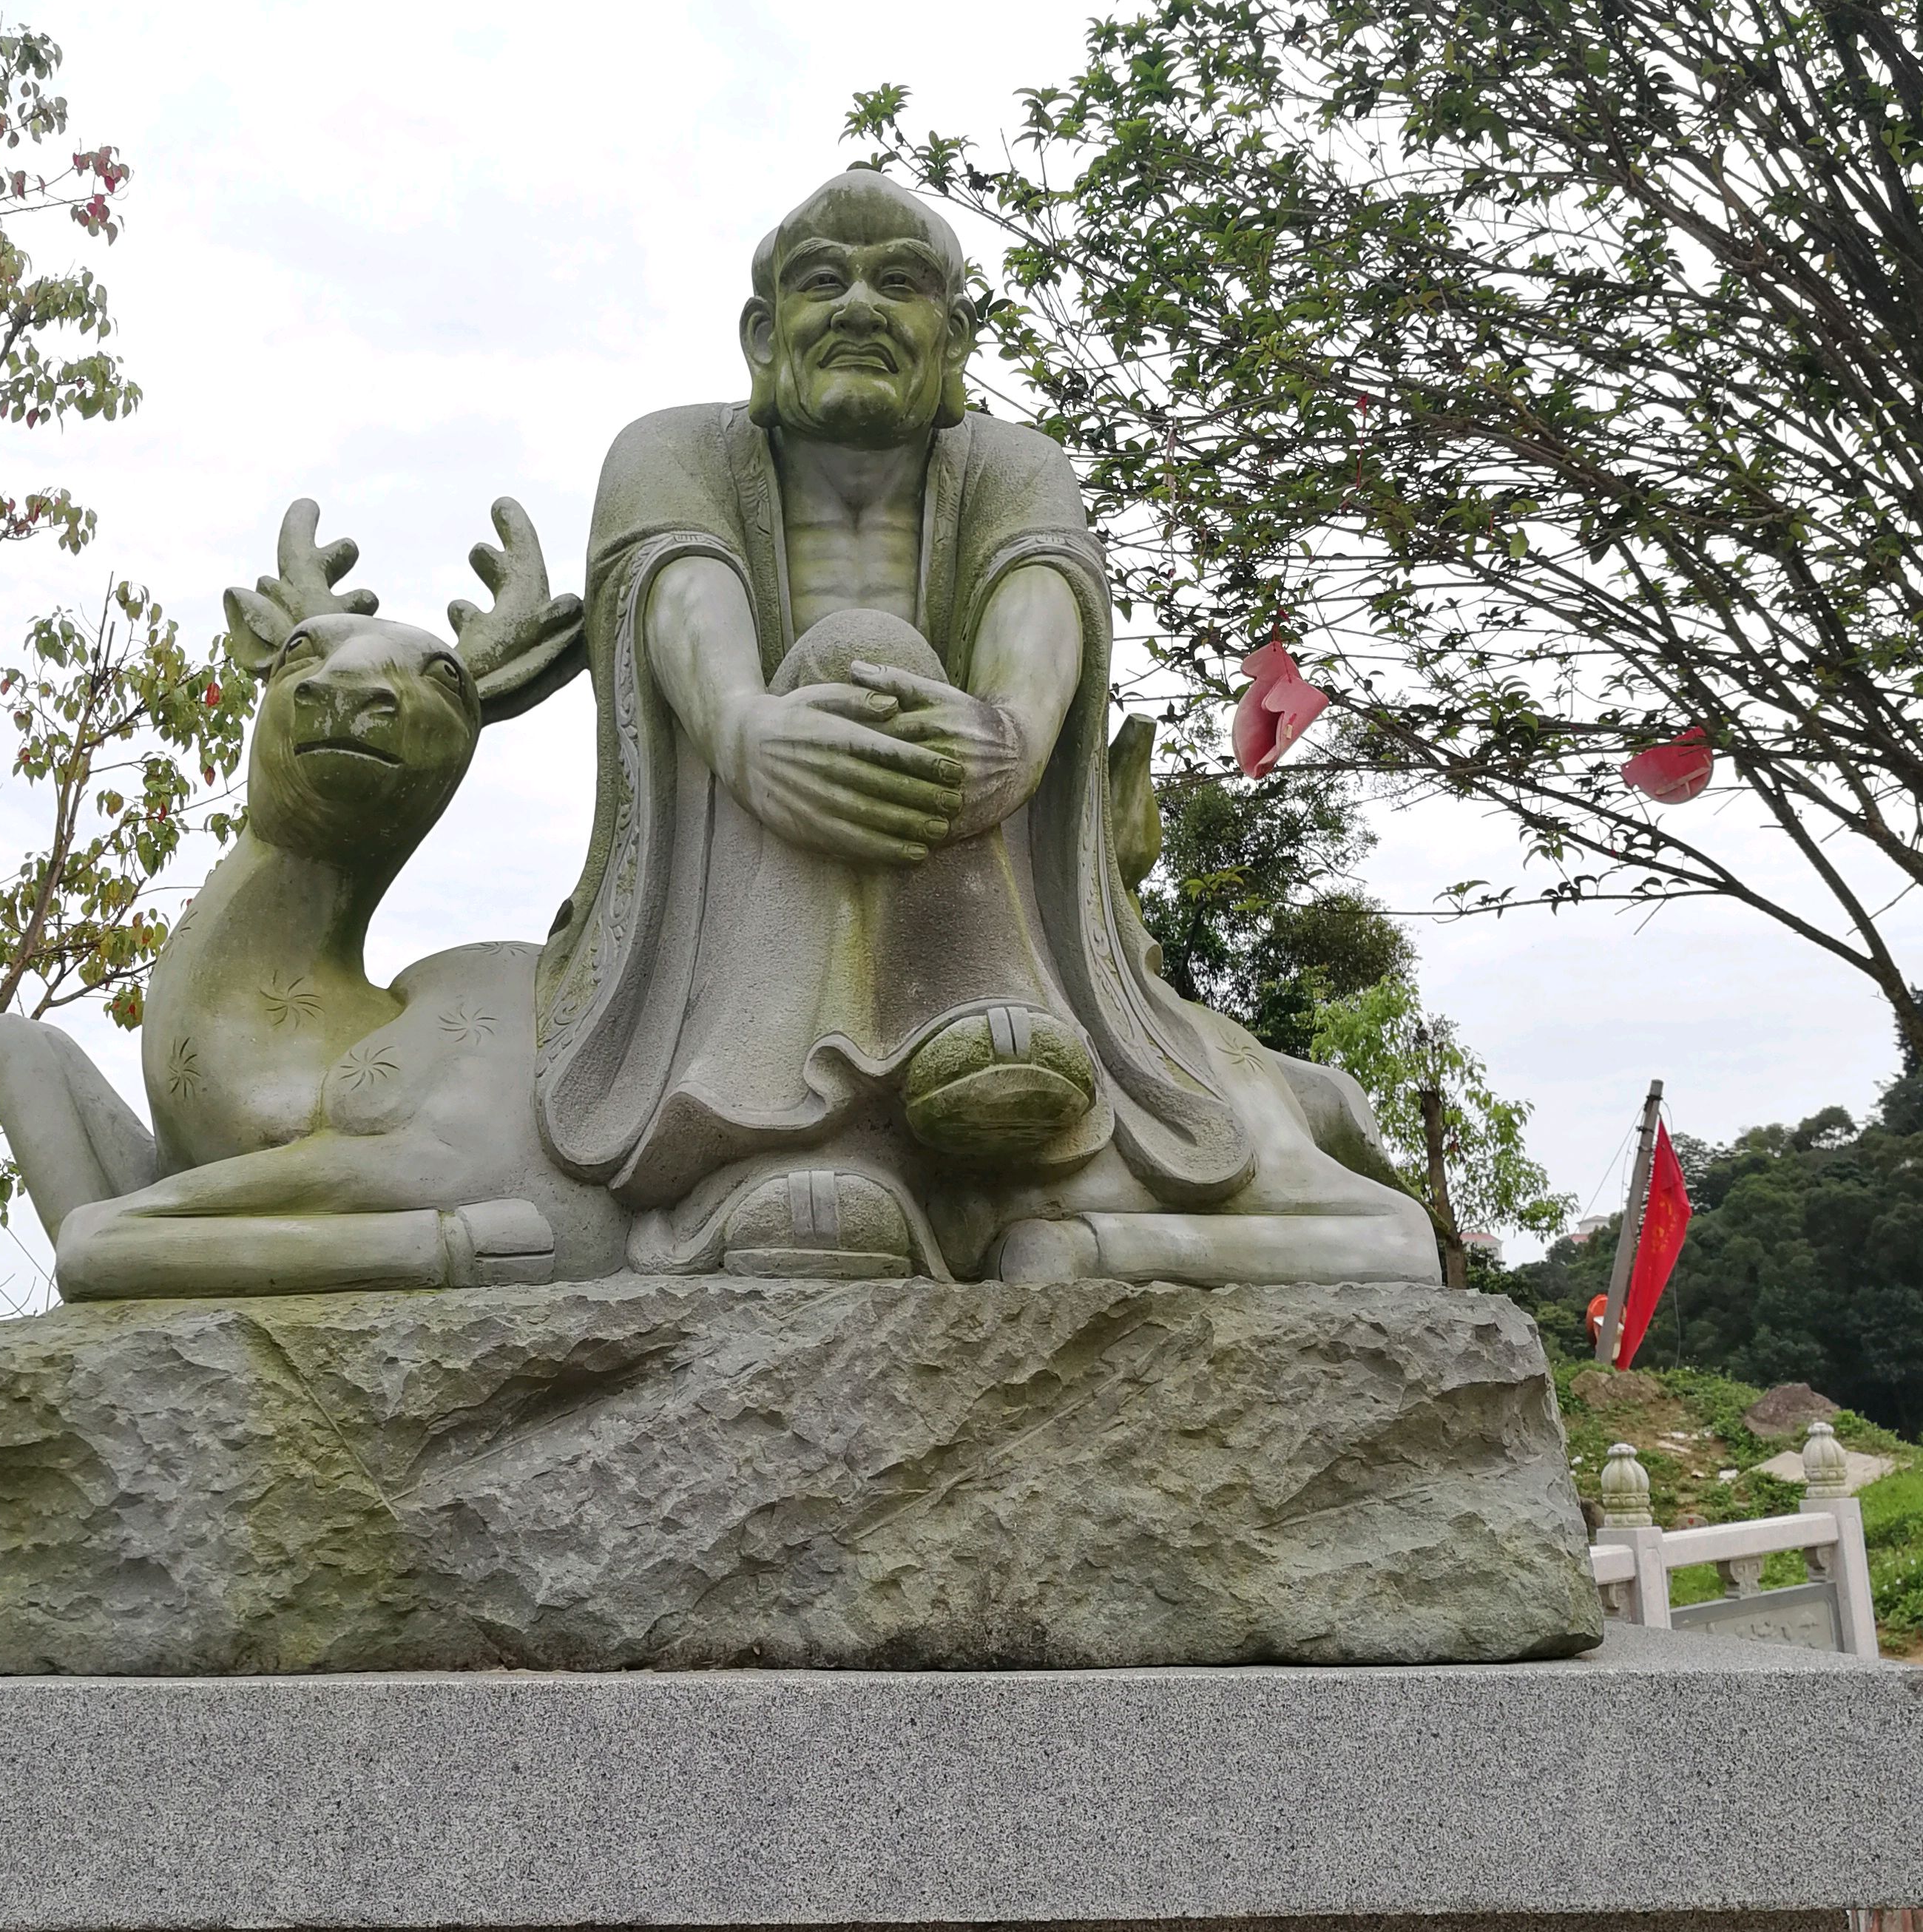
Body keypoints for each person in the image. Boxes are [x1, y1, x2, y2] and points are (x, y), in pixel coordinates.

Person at [535, 168, 1435, 1285]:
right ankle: (775, 1120)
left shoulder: (1016, 467)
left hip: (973, 885)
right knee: (851, 658)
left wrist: (1007, 732)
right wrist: (742, 725)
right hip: (732, 909)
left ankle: (985, 1025)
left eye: (899, 283)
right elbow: (675, 582)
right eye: (825, 282)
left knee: (877, 663)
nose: (859, 307)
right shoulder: (671, 454)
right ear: (764, 336)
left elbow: (1041, 597)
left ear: (954, 338)